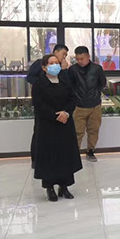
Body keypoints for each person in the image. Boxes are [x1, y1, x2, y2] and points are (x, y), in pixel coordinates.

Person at [31, 54, 82, 201]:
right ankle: (50, 187)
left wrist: (66, 113)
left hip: (65, 124)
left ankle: (64, 187)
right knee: (49, 157)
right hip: (48, 126)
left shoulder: (65, 81)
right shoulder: (39, 84)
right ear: (44, 67)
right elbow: (39, 105)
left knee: (65, 155)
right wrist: (55, 116)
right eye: (51, 63)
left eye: (56, 63)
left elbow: (72, 98)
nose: (55, 65)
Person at [26, 44, 70, 168]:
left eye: (65, 55)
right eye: (63, 54)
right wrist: (45, 84)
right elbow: (30, 78)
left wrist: (64, 70)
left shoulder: (62, 67)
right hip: (44, 106)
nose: (64, 57)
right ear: (56, 52)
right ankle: (36, 160)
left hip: (59, 107)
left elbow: (67, 86)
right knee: (39, 133)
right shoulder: (40, 63)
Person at [69, 46, 107, 162]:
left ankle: (91, 151)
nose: (80, 61)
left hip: (95, 105)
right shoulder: (73, 70)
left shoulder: (97, 69)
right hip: (78, 106)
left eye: (82, 59)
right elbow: (70, 86)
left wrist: (95, 93)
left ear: (88, 57)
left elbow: (102, 83)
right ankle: (74, 154)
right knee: (77, 132)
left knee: (93, 130)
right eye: (77, 59)